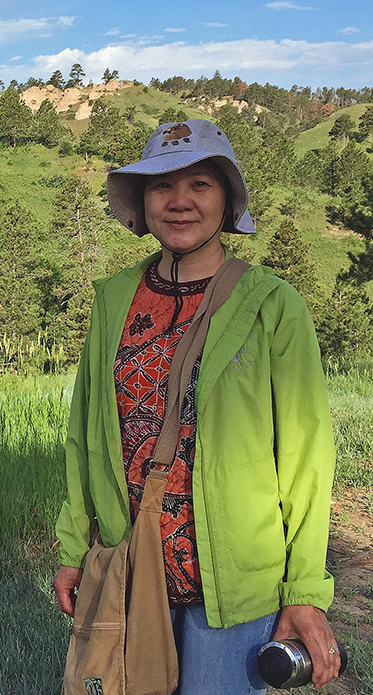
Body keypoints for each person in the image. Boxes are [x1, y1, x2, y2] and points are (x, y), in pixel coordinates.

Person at [53, 120, 340, 694]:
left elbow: (307, 457)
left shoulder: (273, 305)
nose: (180, 201)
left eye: (201, 184)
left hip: (232, 585)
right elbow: (85, 433)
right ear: (142, 201)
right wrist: (72, 545)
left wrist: (305, 591)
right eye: (162, 185)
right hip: (132, 568)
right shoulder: (113, 299)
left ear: (228, 200)